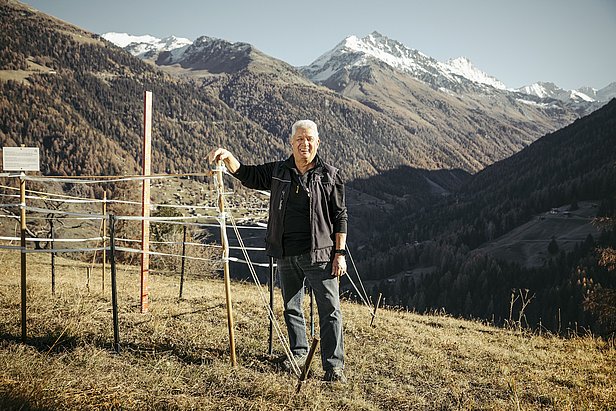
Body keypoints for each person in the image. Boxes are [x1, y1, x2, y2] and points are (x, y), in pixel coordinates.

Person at [208, 119, 348, 383]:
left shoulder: (330, 175)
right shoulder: (277, 171)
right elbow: (248, 175)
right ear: (291, 142)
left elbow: (340, 216)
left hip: (320, 254)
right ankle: (298, 353)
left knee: (330, 310)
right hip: (285, 252)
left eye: (309, 139)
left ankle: (333, 367)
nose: (304, 144)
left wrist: (339, 254)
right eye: (299, 139)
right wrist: (228, 157)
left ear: (318, 142)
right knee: (291, 307)